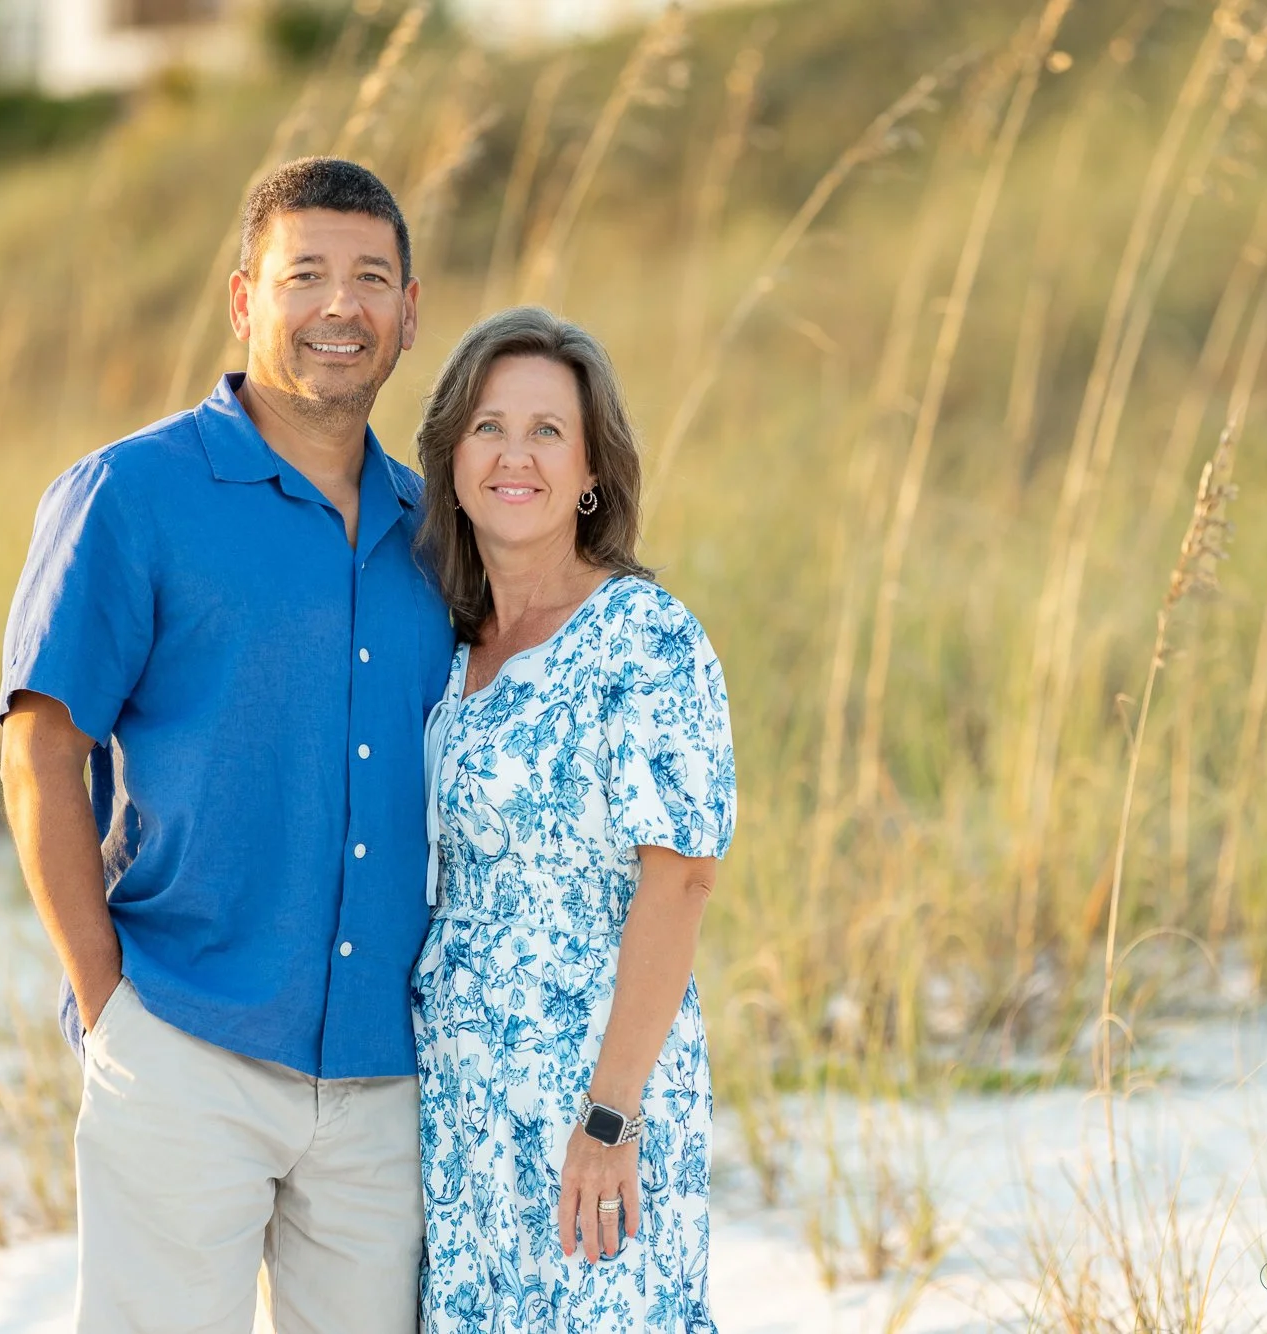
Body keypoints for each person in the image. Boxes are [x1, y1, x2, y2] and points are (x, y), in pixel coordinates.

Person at [0, 157, 452, 1333]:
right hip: (182, 1040)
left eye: (370, 278)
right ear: (244, 299)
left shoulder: (435, 533)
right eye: (305, 274)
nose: (338, 305)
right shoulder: (130, 494)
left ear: (411, 311)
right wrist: (110, 1010)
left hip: (382, 1075)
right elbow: (40, 751)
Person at [409, 306, 737, 1333]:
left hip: (591, 1093)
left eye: (548, 430)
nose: (516, 454)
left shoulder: (642, 636)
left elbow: (679, 877)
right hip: (460, 1099)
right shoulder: (452, 645)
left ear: (591, 469)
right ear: (452, 456)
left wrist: (610, 1112)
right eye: (489, 426)